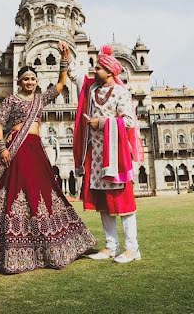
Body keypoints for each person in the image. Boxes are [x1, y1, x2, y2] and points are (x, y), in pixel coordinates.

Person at [0, 41, 95, 273]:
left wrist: (64, 60)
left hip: (35, 149)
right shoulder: (11, 100)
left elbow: (61, 85)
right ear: (19, 81)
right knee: (9, 192)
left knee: (43, 192)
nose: (29, 82)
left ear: (37, 81)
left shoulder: (40, 99)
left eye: (33, 79)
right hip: (16, 149)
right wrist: (2, 148)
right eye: (26, 79)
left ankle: (48, 247)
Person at [70, 45, 144, 264]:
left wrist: (102, 123)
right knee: (104, 203)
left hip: (116, 155)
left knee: (124, 203)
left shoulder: (121, 92)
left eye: (99, 67)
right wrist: (67, 59)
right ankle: (111, 247)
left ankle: (133, 248)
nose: (95, 70)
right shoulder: (93, 90)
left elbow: (128, 121)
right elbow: (77, 79)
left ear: (110, 72)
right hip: (96, 156)